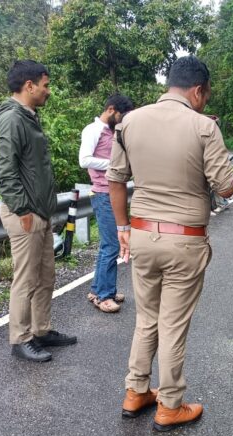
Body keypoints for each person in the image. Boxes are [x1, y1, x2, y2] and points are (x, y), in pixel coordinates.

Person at [107, 55, 233, 431]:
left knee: (146, 318)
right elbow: (226, 186)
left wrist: (122, 228)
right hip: (185, 241)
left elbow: (115, 180)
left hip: (142, 233)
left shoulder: (129, 122)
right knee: (173, 323)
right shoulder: (203, 127)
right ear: (198, 91)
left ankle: (135, 391)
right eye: (206, 95)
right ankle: (170, 404)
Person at [0, 60, 77, 363]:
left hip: (40, 212)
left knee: (45, 277)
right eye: (45, 85)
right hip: (25, 213)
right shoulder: (11, 119)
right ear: (29, 85)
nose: (48, 91)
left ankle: (41, 331)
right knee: (26, 279)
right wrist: (23, 210)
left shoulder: (29, 116)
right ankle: (20, 338)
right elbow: (5, 172)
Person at [79, 94, 135, 313]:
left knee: (108, 245)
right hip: (102, 193)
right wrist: (114, 163)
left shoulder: (112, 131)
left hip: (111, 192)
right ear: (111, 109)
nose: (122, 121)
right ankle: (104, 296)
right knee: (112, 245)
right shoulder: (92, 130)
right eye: (121, 116)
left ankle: (99, 290)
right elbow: (84, 159)